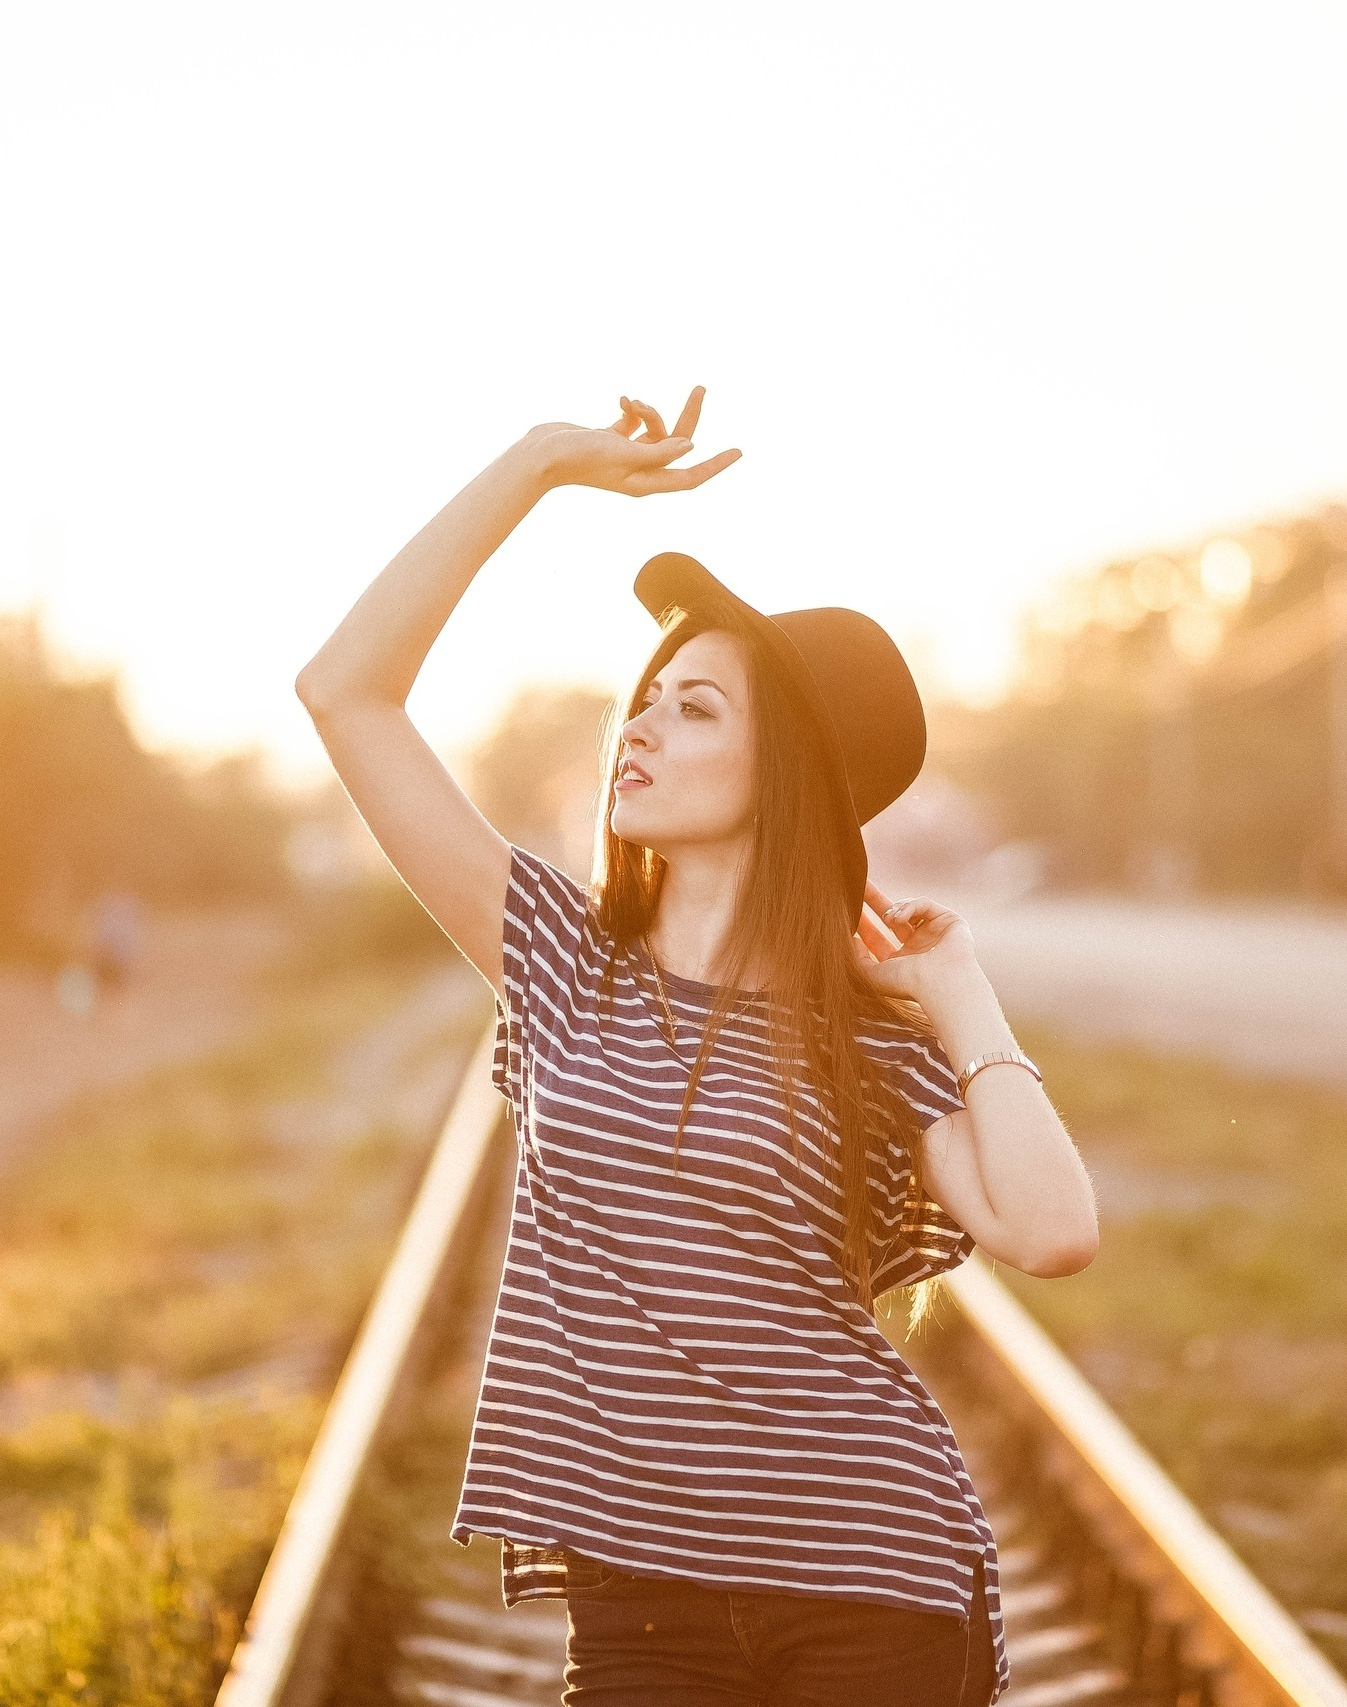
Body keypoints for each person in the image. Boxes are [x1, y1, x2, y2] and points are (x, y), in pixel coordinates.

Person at [295, 387, 1100, 1707]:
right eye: (645, 701)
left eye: (696, 711)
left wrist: (962, 1001)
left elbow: (1054, 1231)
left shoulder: (870, 1053)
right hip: (641, 1605)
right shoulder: (558, 958)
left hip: (871, 1580)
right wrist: (541, 462)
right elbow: (346, 695)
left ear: (786, 775)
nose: (641, 728)